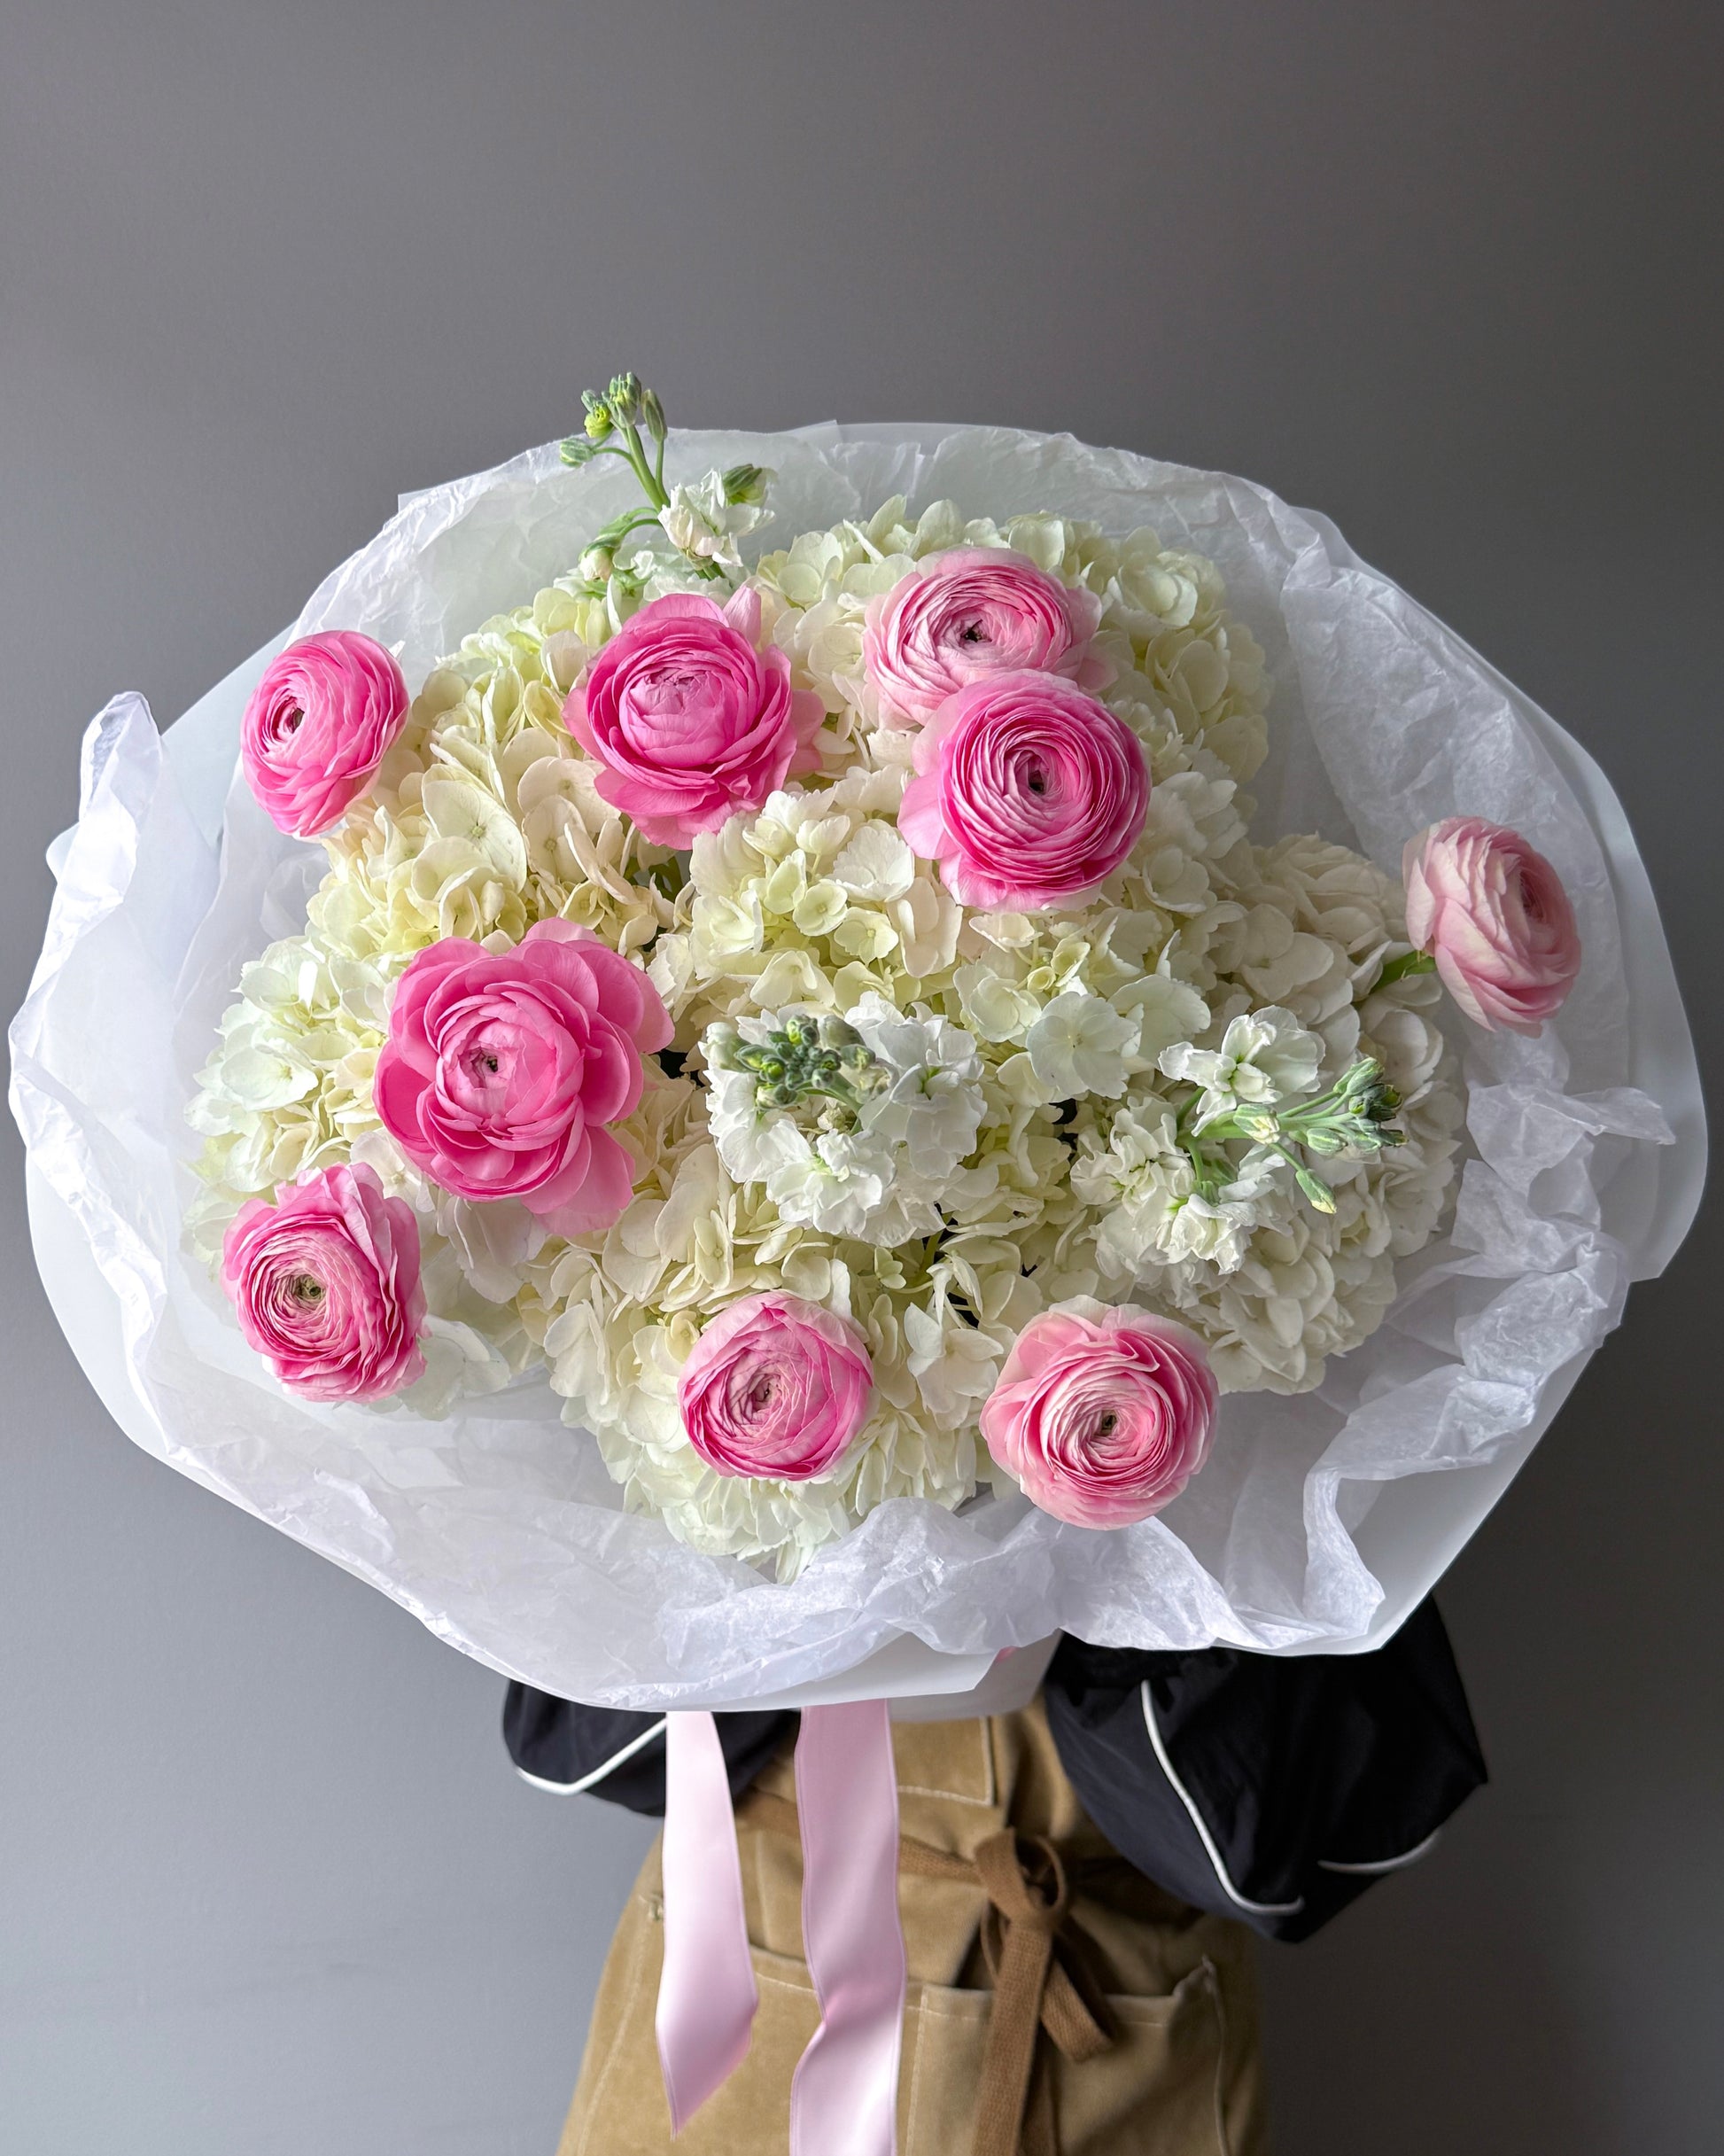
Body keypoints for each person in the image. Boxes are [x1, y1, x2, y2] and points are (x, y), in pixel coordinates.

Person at [505, 1601, 1485, 2155]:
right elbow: (591, 1701)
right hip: (753, 1993)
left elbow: (1274, 1813)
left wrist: (1111, 1508)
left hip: (1107, 2005)